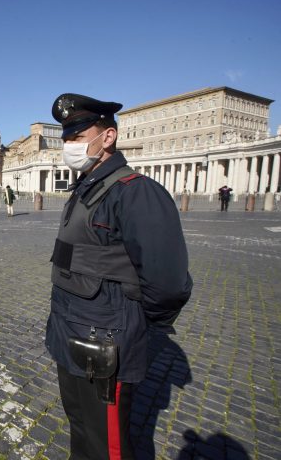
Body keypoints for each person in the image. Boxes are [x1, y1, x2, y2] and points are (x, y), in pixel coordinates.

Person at [45, 93, 192, 459]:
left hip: (105, 345)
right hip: (71, 336)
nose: (69, 146)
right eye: (66, 139)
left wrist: (136, 328)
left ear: (107, 137)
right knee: (82, 430)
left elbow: (168, 284)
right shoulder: (84, 190)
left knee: (107, 446)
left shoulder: (137, 194)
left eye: (77, 137)